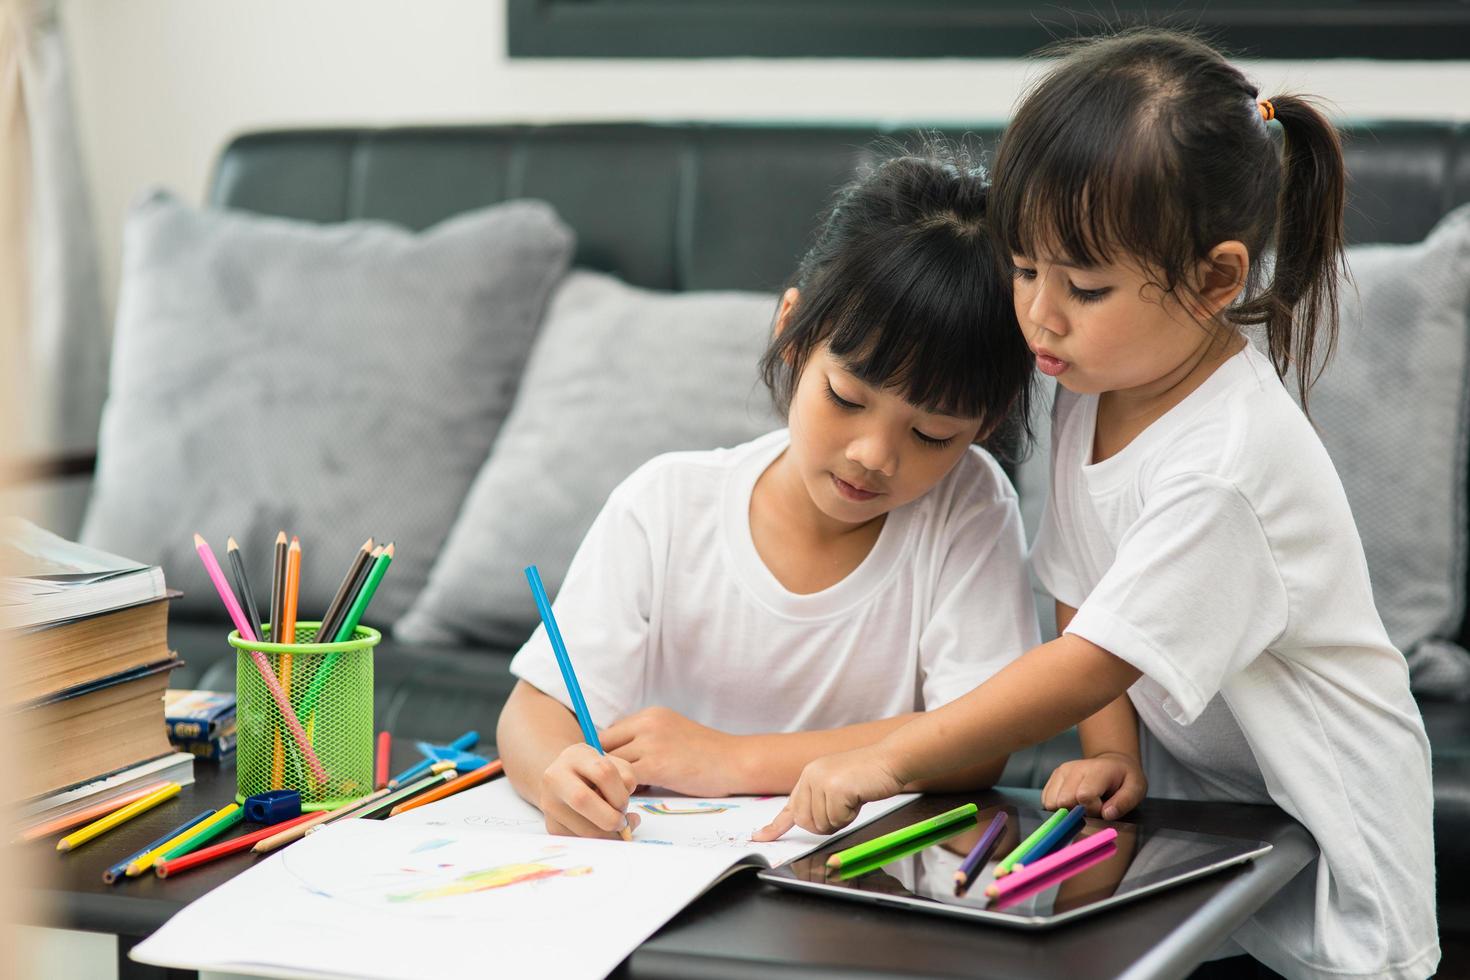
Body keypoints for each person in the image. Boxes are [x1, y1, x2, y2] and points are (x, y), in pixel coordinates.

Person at [755, 30, 1438, 980]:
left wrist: (892, 761)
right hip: (1212, 843)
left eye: (1082, 285)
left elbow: (1087, 660)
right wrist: (1115, 750)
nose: (1038, 313)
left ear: (1214, 281)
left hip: (1335, 878)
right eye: (1024, 267)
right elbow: (1084, 580)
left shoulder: (1227, 464)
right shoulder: (1090, 381)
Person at [496, 144, 1040, 841]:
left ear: (983, 427)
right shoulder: (666, 505)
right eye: (847, 397)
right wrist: (558, 776)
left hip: (851, 888)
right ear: (792, 333)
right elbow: (531, 714)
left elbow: (978, 738)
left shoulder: (969, 508)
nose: (874, 455)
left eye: (932, 434)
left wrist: (733, 759)